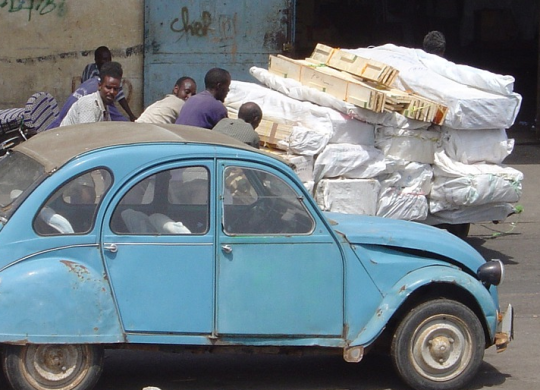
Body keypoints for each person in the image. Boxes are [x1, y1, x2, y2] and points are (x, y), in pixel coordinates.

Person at [81, 46, 137, 121]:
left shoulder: (112, 72)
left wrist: (131, 115)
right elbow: (89, 90)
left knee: (124, 122)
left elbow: (121, 97)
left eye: (109, 59)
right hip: (92, 103)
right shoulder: (90, 70)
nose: (107, 62)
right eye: (104, 59)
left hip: (107, 104)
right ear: (96, 60)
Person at [59, 62, 122, 127]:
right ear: (99, 86)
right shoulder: (89, 104)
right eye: (108, 87)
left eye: (115, 89)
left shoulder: (104, 106)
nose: (112, 92)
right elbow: (87, 135)